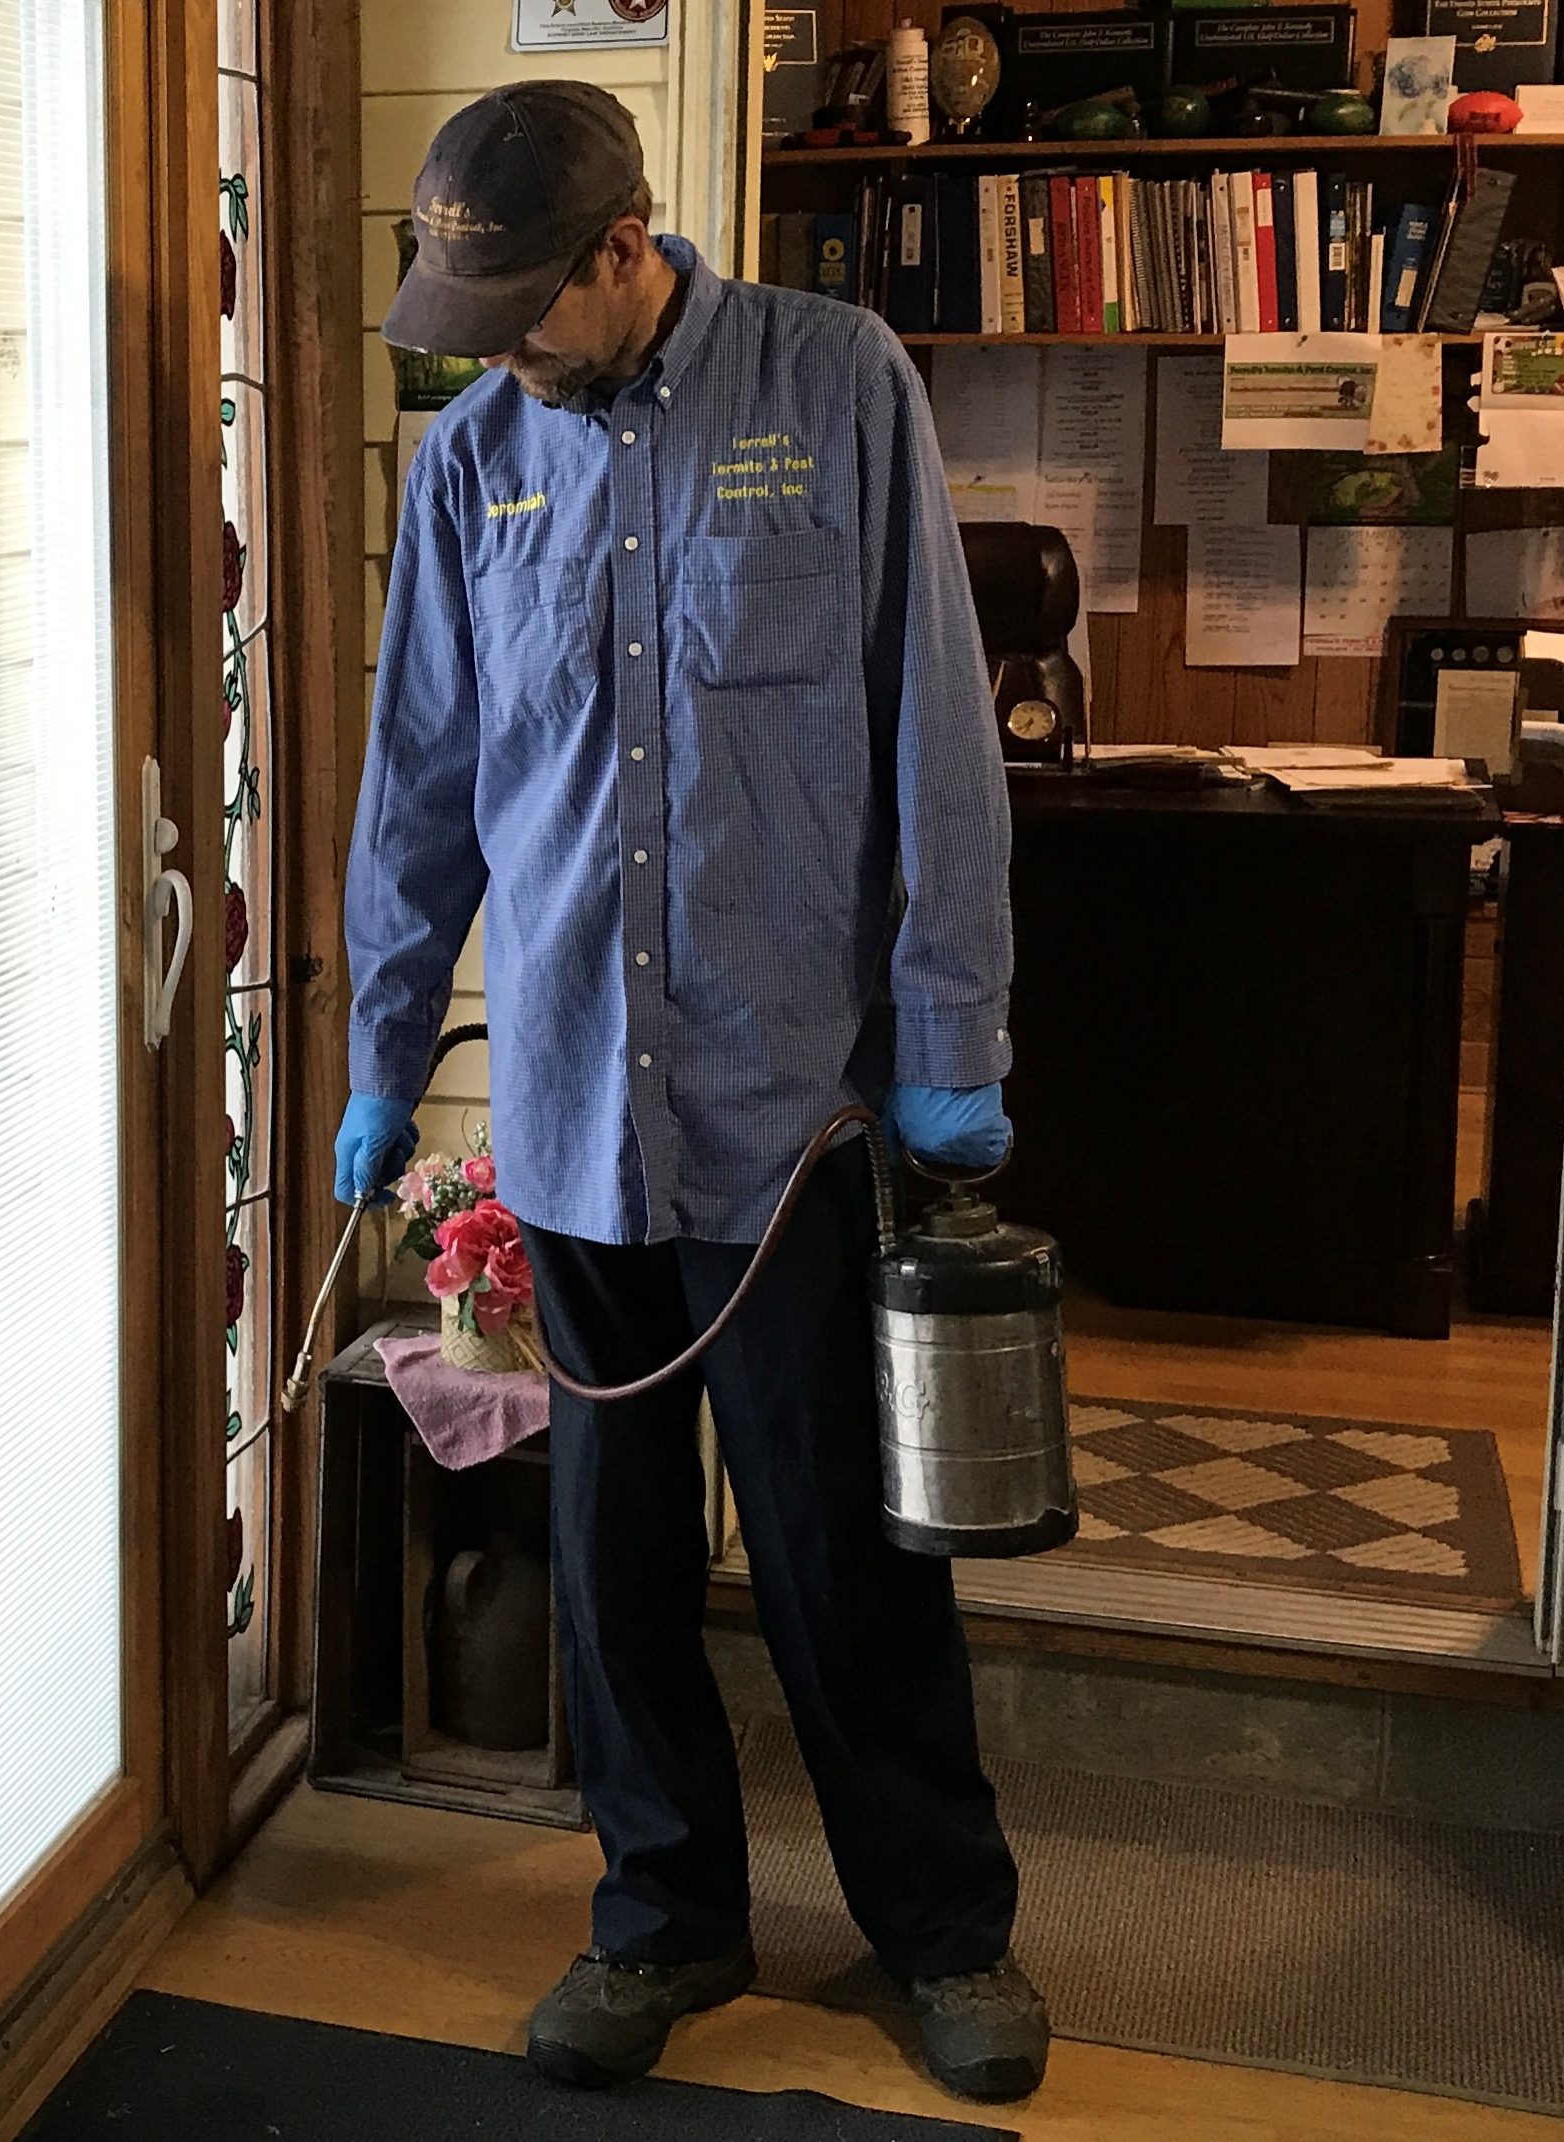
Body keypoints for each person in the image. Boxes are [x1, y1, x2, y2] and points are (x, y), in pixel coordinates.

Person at [335, 80, 1047, 2105]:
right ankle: (663, 1920)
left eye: (519, 309)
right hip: (570, 1116)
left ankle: (940, 1931)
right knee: (614, 1553)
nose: (491, 352)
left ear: (625, 251)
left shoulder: (830, 387)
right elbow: (419, 801)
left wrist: (948, 1041)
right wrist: (384, 1063)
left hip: (795, 1118)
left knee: (841, 1550)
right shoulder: (477, 466)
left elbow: (936, 735)